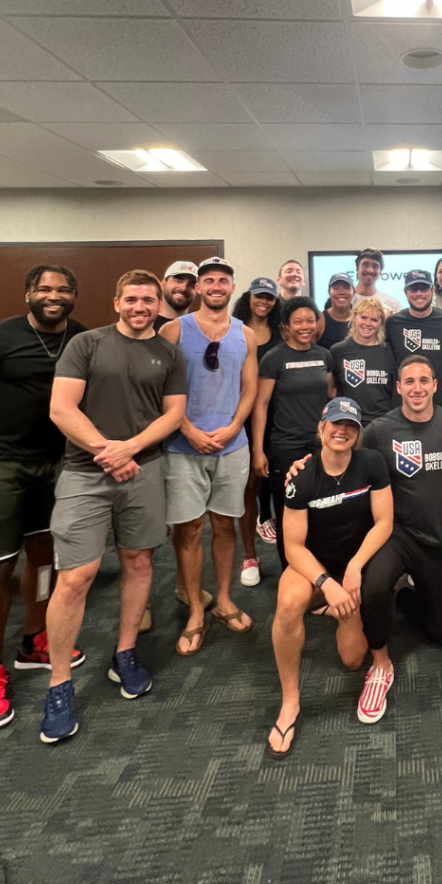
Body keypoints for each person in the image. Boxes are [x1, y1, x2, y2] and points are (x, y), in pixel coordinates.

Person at [39, 270, 188, 743]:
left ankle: (125, 652)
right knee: (76, 577)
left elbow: (174, 413)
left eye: (149, 299)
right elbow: (62, 408)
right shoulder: (86, 345)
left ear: (159, 303)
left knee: (140, 562)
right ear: (116, 302)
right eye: (133, 298)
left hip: (143, 471)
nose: (141, 305)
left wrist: (131, 450)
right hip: (86, 473)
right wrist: (109, 451)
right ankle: (58, 683)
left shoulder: (169, 353)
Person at [0, 265, 86, 731]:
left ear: (74, 296)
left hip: (57, 465)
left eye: (63, 289)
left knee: (44, 557)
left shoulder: (82, 339)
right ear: (28, 292)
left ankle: (34, 639)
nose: (54, 296)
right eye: (45, 289)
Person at [269, 397, 393, 756]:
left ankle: (338, 608)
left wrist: (354, 569)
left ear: (358, 433)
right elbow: (292, 547)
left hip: (354, 564)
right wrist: (327, 584)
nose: (342, 431)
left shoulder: (371, 463)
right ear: (321, 428)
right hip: (313, 566)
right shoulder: (302, 476)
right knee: (290, 601)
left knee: (353, 660)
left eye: (350, 426)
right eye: (335, 424)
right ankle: (290, 701)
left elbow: (384, 521)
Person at [358, 356, 442, 720]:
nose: (417, 388)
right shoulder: (378, 430)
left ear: (436, 385)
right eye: (409, 381)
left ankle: (406, 594)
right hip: (399, 534)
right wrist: (305, 465)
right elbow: (343, 459)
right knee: (372, 588)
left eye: (424, 380)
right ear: (399, 387)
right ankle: (380, 664)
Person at [161, 257, 258, 656]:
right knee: (189, 530)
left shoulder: (246, 334)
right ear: (198, 288)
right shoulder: (172, 331)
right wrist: (186, 428)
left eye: (224, 280)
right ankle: (196, 612)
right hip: (183, 446)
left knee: (224, 524)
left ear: (233, 288)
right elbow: (159, 388)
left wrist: (235, 427)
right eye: (209, 280)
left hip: (232, 446)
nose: (216, 286)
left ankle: (222, 599)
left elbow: (249, 388)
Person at [252, 296, 336, 571]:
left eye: (310, 320)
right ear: (285, 326)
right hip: (284, 448)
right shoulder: (274, 358)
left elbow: (332, 397)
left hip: (320, 448)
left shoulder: (324, 356)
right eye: (298, 321)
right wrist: (258, 450)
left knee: (321, 512)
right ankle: (292, 575)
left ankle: (320, 572)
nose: (305, 326)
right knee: (290, 514)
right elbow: (261, 405)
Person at [233, 277, 283, 584]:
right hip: (244, 414)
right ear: (248, 297)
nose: (264, 301)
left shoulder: (281, 331)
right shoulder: (234, 329)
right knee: (248, 486)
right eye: (258, 296)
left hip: (281, 416)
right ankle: (249, 556)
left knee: (284, 487)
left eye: (269, 297)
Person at [386, 269, 442, 411]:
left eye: (423, 288)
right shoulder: (392, 323)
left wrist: (437, 386)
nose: (418, 293)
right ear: (405, 292)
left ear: (432, 290)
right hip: (402, 407)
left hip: (441, 406)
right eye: (413, 289)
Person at [330, 297, 397, 422]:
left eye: (374, 319)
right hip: (350, 421)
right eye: (364, 317)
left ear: (381, 323)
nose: (368, 323)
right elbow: (331, 390)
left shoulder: (390, 353)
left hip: (383, 422)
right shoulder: (337, 351)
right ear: (354, 317)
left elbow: (395, 392)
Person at [351, 248, 401, 315]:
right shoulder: (345, 301)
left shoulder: (392, 305)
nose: (370, 270)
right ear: (357, 268)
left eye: (375, 266)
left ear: (380, 272)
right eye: (365, 265)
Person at [154, 260, 198, 332]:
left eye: (191, 285)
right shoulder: (147, 325)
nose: (183, 288)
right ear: (162, 284)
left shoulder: (200, 329)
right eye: (178, 281)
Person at [319, 273, 354, 350]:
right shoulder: (320, 320)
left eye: (346, 287)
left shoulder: (360, 320)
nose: (341, 292)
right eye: (336, 288)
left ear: (353, 292)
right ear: (329, 292)